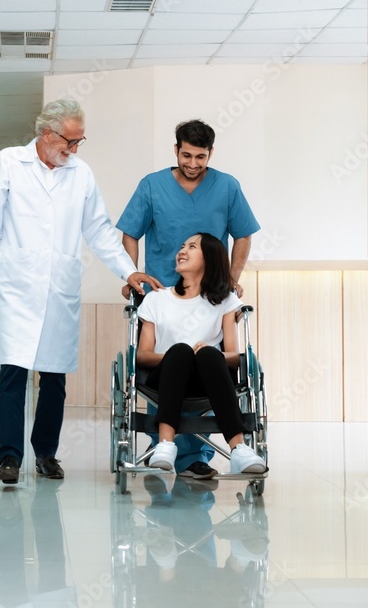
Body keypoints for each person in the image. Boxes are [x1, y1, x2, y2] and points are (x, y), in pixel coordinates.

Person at [0, 99, 155, 485]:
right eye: (69, 141)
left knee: (54, 378)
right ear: (46, 134)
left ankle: (46, 453)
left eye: (78, 141)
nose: (73, 149)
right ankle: (9, 458)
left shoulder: (81, 174)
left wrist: (129, 269)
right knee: (13, 372)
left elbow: (100, 231)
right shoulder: (9, 163)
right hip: (19, 288)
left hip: (60, 288)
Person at [117, 119, 259, 480]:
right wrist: (131, 275)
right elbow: (130, 233)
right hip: (163, 292)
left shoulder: (226, 187)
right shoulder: (152, 186)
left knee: (205, 355)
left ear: (210, 154)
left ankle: (195, 458)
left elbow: (243, 235)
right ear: (175, 150)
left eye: (200, 157)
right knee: (176, 354)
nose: (193, 163)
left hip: (208, 293)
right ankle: (163, 447)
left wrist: (230, 280)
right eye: (186, 155)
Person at [135, 233, 266, 476]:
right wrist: (176, 356)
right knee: (181, 351)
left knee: (207, 354)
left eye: (191, 247)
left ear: (209, 259)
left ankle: (239, 450)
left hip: (206, 379)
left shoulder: (225, 300)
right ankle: (165, 444)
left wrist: (206, 352)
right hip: (164, 378)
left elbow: (234, 356)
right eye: (182, 246)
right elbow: (142, 356)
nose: (181, 251)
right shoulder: (156, 299)